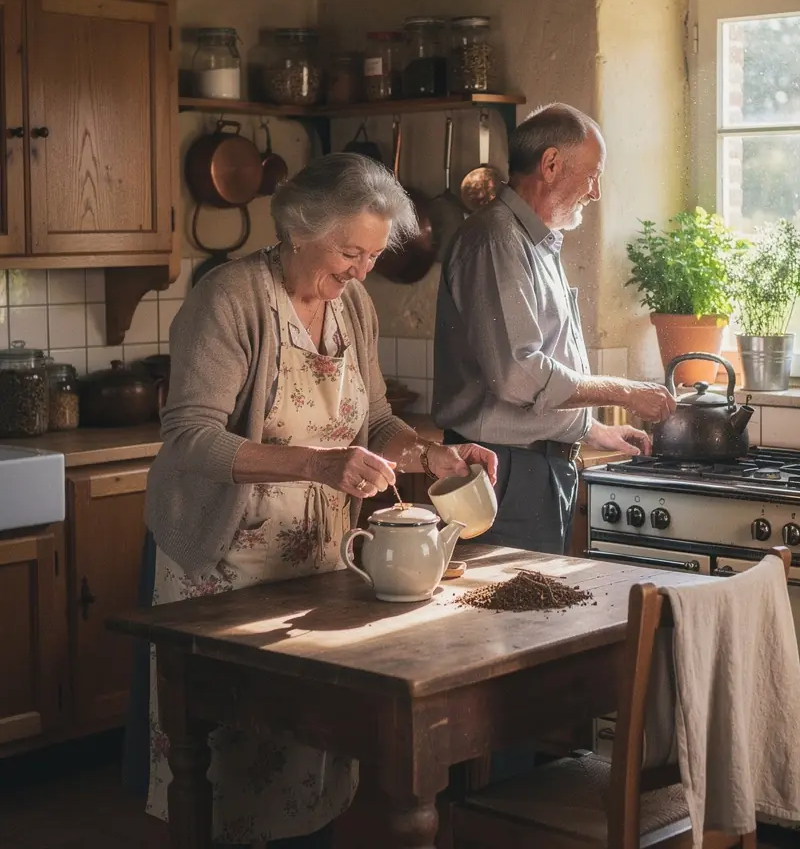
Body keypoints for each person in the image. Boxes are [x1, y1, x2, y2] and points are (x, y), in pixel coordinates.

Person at [142, 153, 497, 848]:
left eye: (371, 253)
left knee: (307, 762)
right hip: (224, 573)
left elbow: (378, 421)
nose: (363, 269)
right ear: (300, 230)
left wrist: (429, 456)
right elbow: (188, 437)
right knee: (227, 767)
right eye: (349, 252)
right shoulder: (232, 298)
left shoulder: (353, 303)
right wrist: (316, 464)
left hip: (319, 569)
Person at [433, 103, 676, 556]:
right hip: (501, 474)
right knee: (504, 623)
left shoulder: (534, 242)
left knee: (533, 620)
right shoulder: (497, 241)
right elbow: (518, 374)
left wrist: (589, 429)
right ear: (550, 164)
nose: (596, 191)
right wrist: (624, 392)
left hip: (534, 470)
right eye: (592, 175)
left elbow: (539, 373)